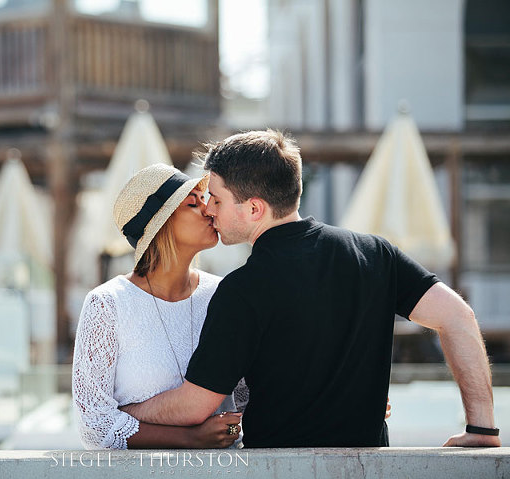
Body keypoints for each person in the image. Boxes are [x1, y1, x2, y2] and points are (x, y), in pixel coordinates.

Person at [121, 129, 501, 448]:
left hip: (283, 470)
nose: (210, 211)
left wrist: (126, 414)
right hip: (372, 468)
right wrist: (482, 429)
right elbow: (458, 316)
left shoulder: (242, 290)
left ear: (254, 209)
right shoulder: (373, 252)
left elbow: (194, 406)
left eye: (217, 200)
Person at [72, 163, 246, 449]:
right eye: (193, 203)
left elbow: (247, 399)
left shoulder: (224, 293)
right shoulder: (107, 305)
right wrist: (190, 438)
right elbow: (93, 424)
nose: (209, 210)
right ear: (161, 224)